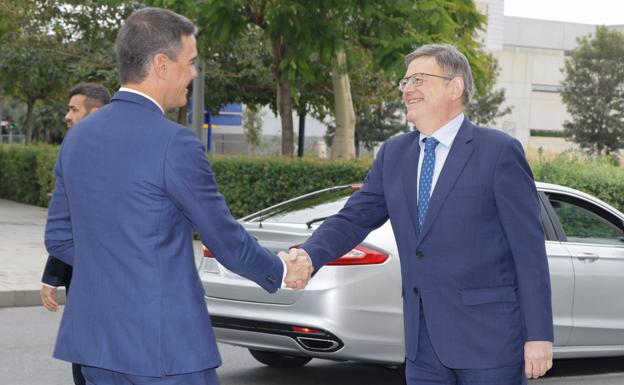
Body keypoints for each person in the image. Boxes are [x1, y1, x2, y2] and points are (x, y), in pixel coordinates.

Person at [44, 7, 311, 385]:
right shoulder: (175, 143)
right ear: (161, 65)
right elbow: (225, 240)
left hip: (94, 346)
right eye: (191, 61)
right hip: (165, 350)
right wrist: (282, 269)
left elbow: (57, 238)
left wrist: (113, 266)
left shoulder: (76, 139)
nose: (195, 73)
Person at [290, 44, 553, 385]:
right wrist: (309, 256)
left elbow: (528, 251)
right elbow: (352, 218)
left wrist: (539, 336)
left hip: (490, 344)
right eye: (404, 81)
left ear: (454, 87)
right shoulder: (394, 154)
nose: (407, 89)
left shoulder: (498, 152)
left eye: (418, 79)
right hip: (422, 347)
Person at [41, 82, 110, 385]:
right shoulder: (73, 153)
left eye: (73, 109)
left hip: (113, 286)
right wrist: (52, 276)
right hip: (82, 282)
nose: (67, 116)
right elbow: (70, 226)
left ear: (95, 114)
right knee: (82, 361)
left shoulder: (114, 158)